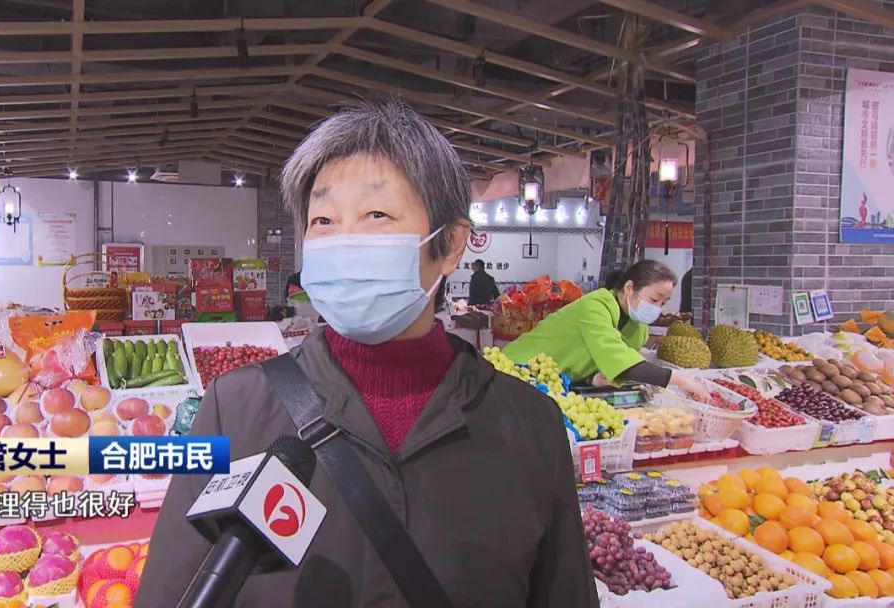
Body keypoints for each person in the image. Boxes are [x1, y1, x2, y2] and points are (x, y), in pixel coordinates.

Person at [137, 99, 597, 608]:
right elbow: (171, 592)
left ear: (449, 245)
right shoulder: (236, 409)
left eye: (376, 214)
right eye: (323, 220)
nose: (344, 241)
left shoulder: (529, 427)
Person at [503, 260, 710, 401]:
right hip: (516, 372)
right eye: (654, 299)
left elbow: (613, 363)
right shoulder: (594, 307)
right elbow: (619, 358)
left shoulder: (638, 327)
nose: (657, 308)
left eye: (663, 303)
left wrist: (594, 379)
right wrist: (681, 379)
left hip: (554, 383)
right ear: (629, 288)